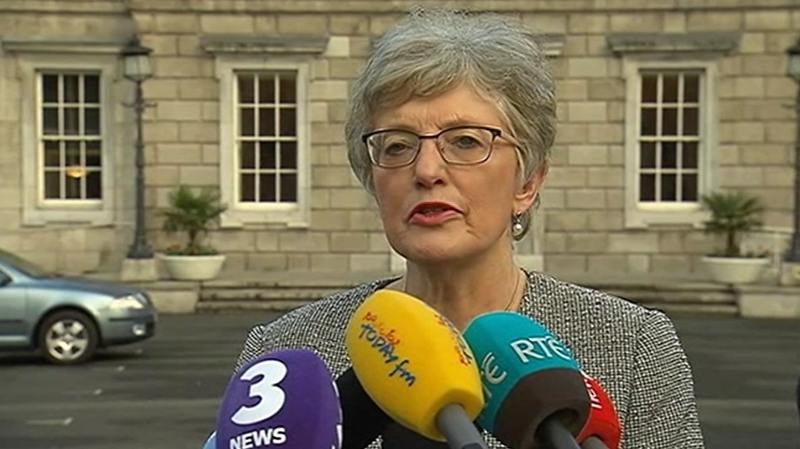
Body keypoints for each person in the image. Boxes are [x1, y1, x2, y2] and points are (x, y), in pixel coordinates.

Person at [232, 7, 704, 448]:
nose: (427, 170)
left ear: (528, 180)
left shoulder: (633, 345)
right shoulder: (284, 355)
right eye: (397, 145)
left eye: (465, 141)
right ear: (373, 180)